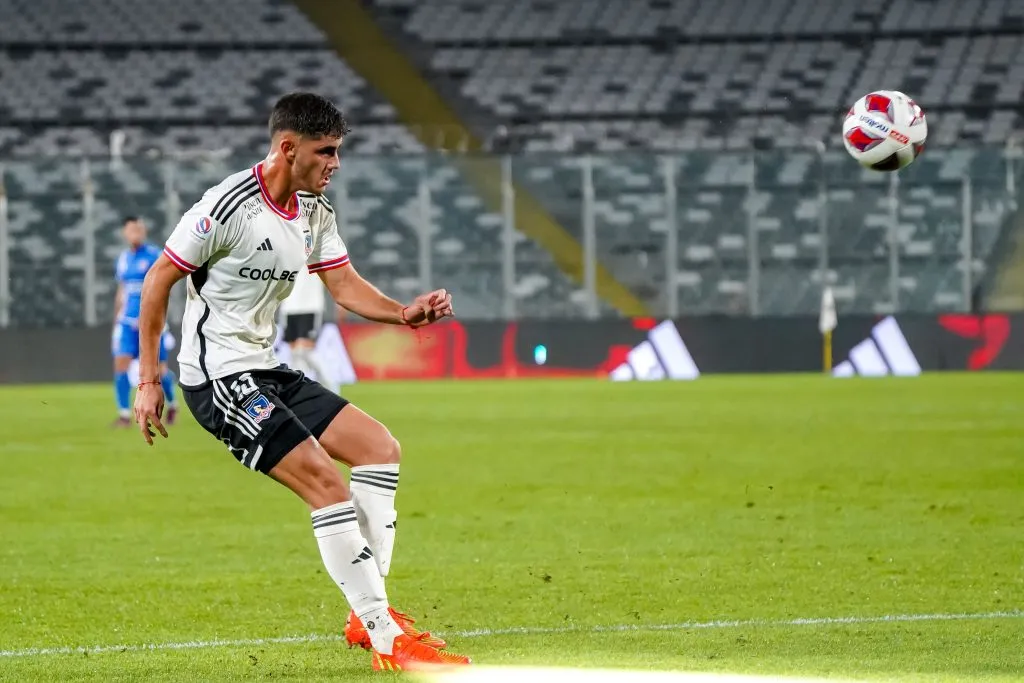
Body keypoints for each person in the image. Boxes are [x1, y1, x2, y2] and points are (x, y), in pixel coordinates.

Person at [132, 92, 469, 672]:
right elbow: (158, 279)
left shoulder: (314, 210)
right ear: (288, 148)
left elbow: (344, 283)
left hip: (266, 367)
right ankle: (385, 635)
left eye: (337, 151)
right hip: (218, 377)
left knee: (379, 448)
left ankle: (366, 616)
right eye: (326, 151)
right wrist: (148, 379)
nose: (335, 163)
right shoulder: (226, 207)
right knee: (323, 480)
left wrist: (403, 313)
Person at [112, 216, 177, 428]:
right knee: (120, 365)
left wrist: (158, 317)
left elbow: (163, 288)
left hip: (149, 323)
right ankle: (124, 415)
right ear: (125, 233)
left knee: (159, 369)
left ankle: (172, 403)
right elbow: (122, 290)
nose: (136, 233)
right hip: (127, 323)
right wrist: (117, 320)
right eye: (132, 230)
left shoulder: (154, 255)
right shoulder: (123, 259)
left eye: (139, 229)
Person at [279, 266, 328, 382]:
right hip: (288, 307)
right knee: (294, 353)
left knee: (304, 351)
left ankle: (329, 386)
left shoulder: (316, 255)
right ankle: (298, 387)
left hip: (310, 306)